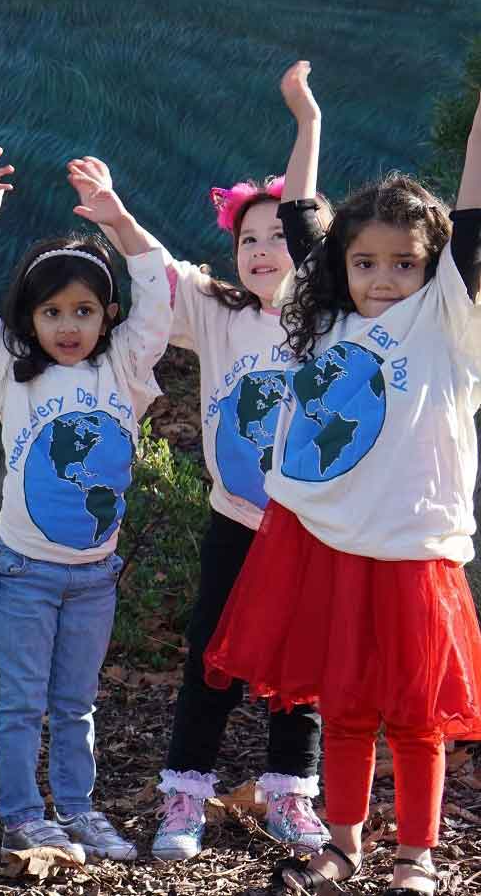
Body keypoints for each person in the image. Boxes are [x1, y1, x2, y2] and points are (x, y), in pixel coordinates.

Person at [203, 61, 481, 896]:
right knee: (346, 706)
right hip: (323, 540)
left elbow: (472, 213)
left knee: (416, 715)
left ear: (432, 271)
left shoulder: (448, 320)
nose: (382, 277)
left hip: (409, 545)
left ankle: (417, 858)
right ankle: (347, 846)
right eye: (366, 262)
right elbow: (298, 220)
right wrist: (308, 120)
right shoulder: (325, 316)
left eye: (403, 263)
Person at [0, 148, 173, 863]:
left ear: (107, 316)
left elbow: (159, 293)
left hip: (94, 576)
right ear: (31, 318)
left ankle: (77, 809)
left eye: (83, 310)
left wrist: (120, 220)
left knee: (77, 706)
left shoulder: (126, 370)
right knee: (22, 704)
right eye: (52, 312)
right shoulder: (13, 374)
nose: (68, 326)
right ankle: (23, 816)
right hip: (25, 572)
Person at [148, 63, 337, 861]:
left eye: (277, 239)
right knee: (212, 657)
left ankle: (290, 796)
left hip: (313, 527)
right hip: (236, 523)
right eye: (245, 240)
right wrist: (117, 212)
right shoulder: (218, 315)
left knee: (305, 666)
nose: (263, 251)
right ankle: (184, 794)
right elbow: (156, 266)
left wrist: (306, 126)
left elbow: (303, 214)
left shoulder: (333, 320)